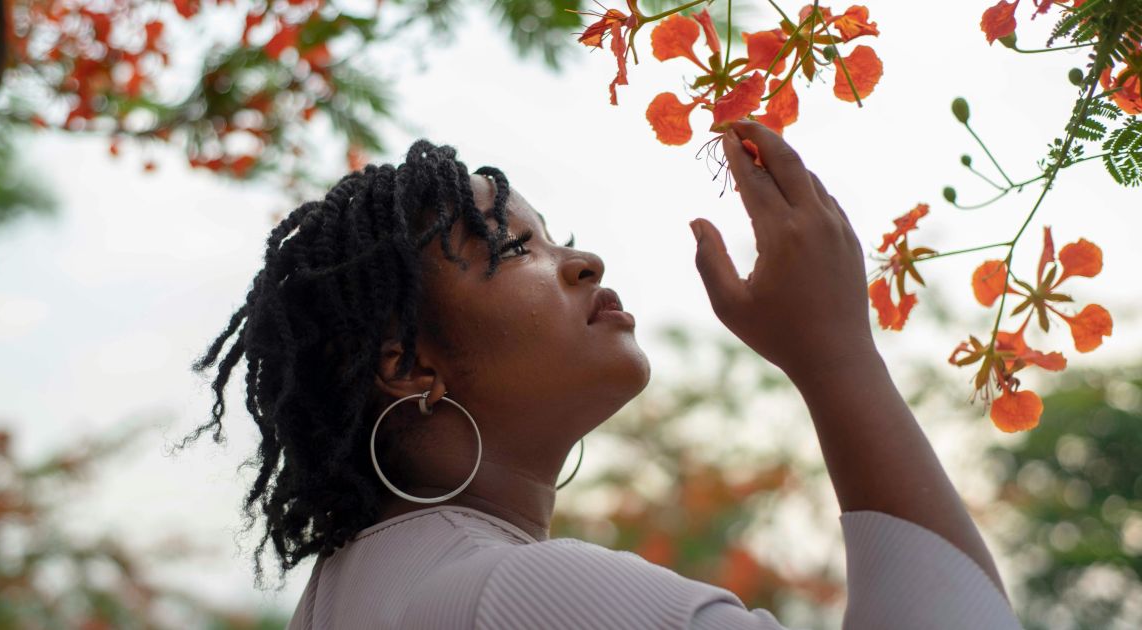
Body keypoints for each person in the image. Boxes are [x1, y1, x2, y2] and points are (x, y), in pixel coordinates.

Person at [186, 120, 1023, 629]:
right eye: (515, 249)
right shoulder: (517, 595)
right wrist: (838, 359)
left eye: (557, 237)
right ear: (407, 366)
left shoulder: (351, 597)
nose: (583, 261)